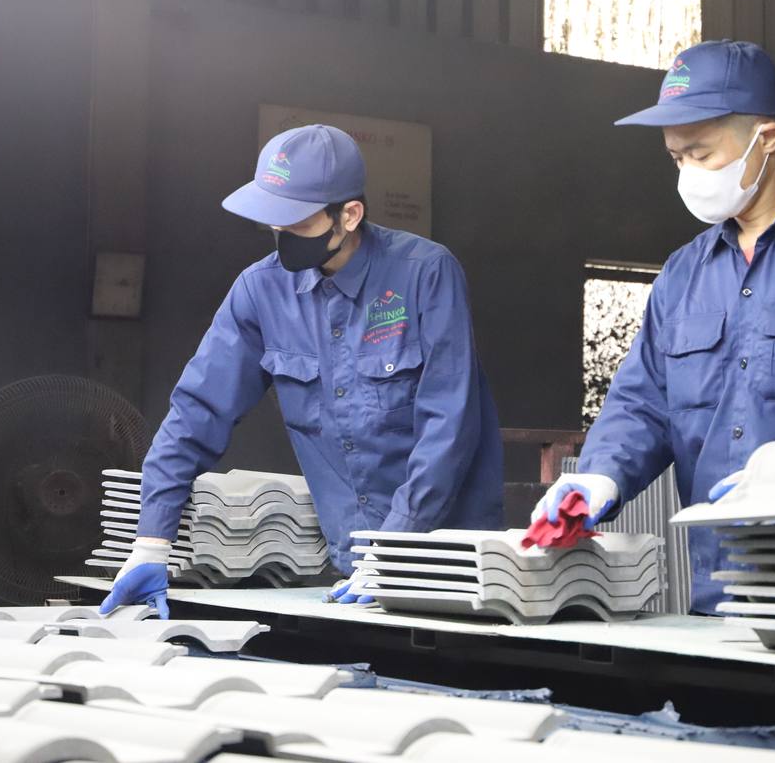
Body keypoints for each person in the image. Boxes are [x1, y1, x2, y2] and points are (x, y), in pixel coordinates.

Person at [533, 40, 775, 614]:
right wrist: (599, 476)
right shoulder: (683, 273)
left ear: (767, 138)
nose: (688, 172)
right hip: (715, 583)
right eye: (676, 158)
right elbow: (643, 402)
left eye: (702, 153)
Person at [100, 124, 503, 618]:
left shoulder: (425, 273)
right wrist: (151, 543)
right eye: (275, 221)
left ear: (349, 215)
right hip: (353, 567)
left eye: (297, 221)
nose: (283, 236)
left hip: (451, 560)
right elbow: (197, 411)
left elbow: (449, 421)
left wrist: (396, 548)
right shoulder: (260, 291)